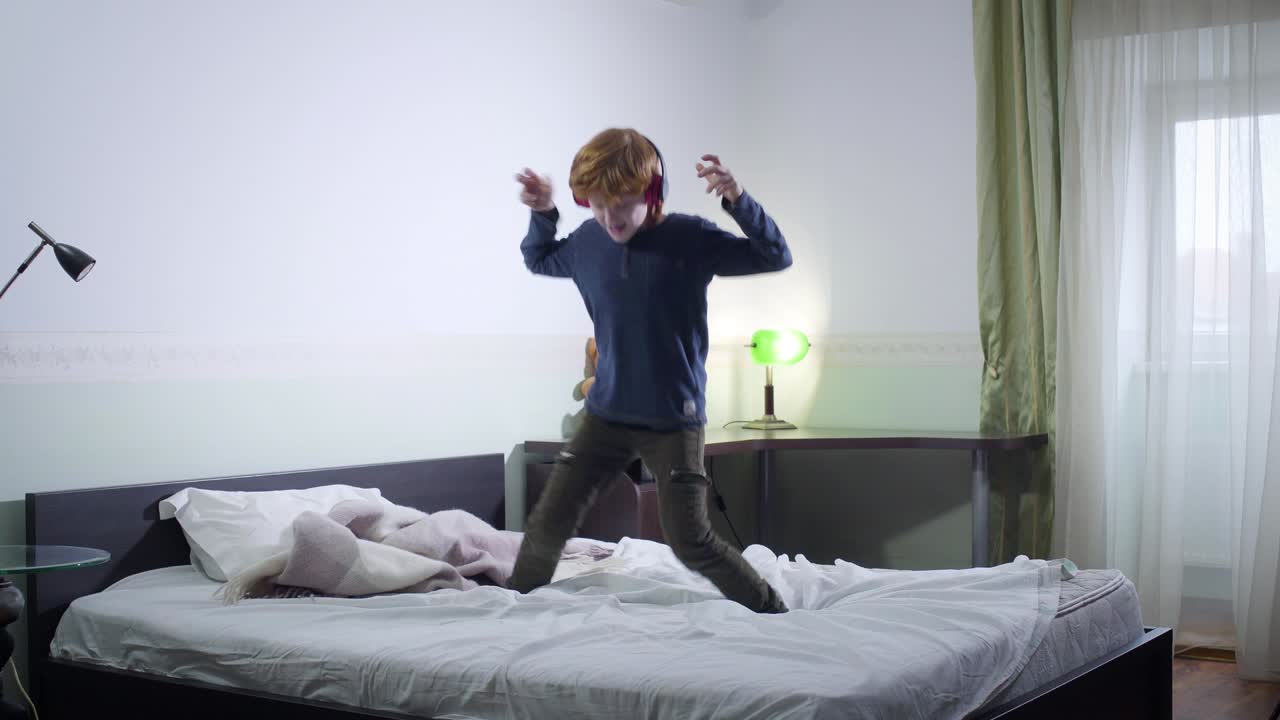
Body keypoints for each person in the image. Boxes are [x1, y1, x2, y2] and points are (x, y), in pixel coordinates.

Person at [511, 127, 792, 613]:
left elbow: (774, 254)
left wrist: (737, 199)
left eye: (620, 204)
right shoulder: (587, 243)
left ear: (652, 192)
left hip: (673, 419)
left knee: (691, 540)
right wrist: (542, 213)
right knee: (546, 524)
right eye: (596, 205)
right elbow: (538, 257)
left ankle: (772, 610)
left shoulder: (689, 238)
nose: (608, 217)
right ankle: (508, 612)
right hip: (604, 416)